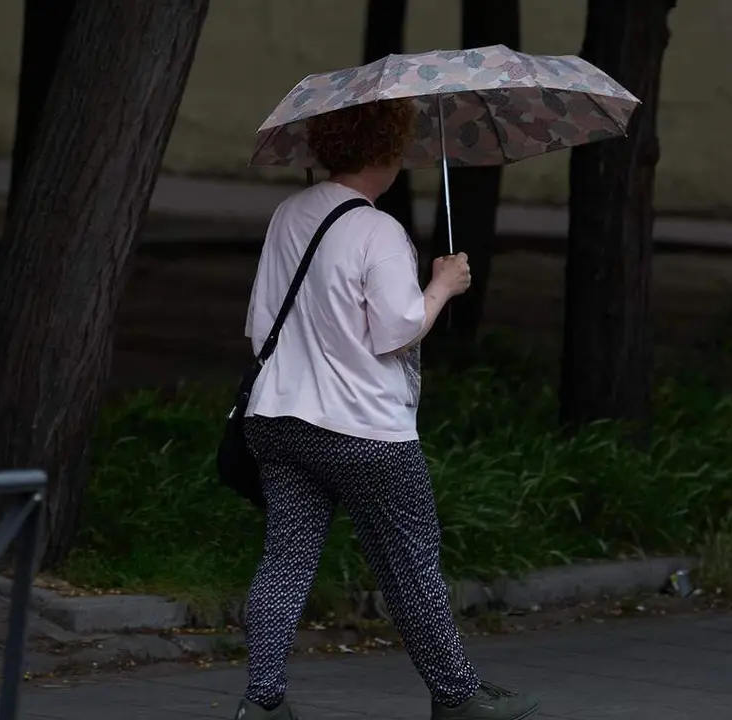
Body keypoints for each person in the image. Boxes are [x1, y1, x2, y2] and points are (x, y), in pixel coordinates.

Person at [235, 97, 539, 720]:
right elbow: (396, 333)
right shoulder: (379, 230)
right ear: (387, 152)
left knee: (285, 561)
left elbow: (259, 324)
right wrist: (442, 287)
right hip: (364, 430)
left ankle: (261, 703)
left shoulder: (288, 215)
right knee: (410, 562)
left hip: (278, 419)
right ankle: (457, 698)